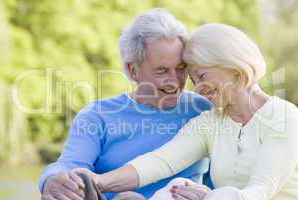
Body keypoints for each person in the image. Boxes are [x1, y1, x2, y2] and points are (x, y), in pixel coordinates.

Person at [79, 23, 298, 200]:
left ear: (234, 70)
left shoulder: (283, 117)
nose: (197, 90)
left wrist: (209, 198)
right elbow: (160, 162)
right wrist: (96, 182)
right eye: (193, 81)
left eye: (201, 77)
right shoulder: (210, 122)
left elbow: (259, 192)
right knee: (176, 187)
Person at [39, 9, 212, 200]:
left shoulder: (204, 109)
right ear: (133, 70)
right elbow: (70, 165)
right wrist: (51, 179)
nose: (174, 81)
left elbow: (229, 174)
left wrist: (210, 194)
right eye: (162, 71)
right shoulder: (97, 115)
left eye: (180, 69)